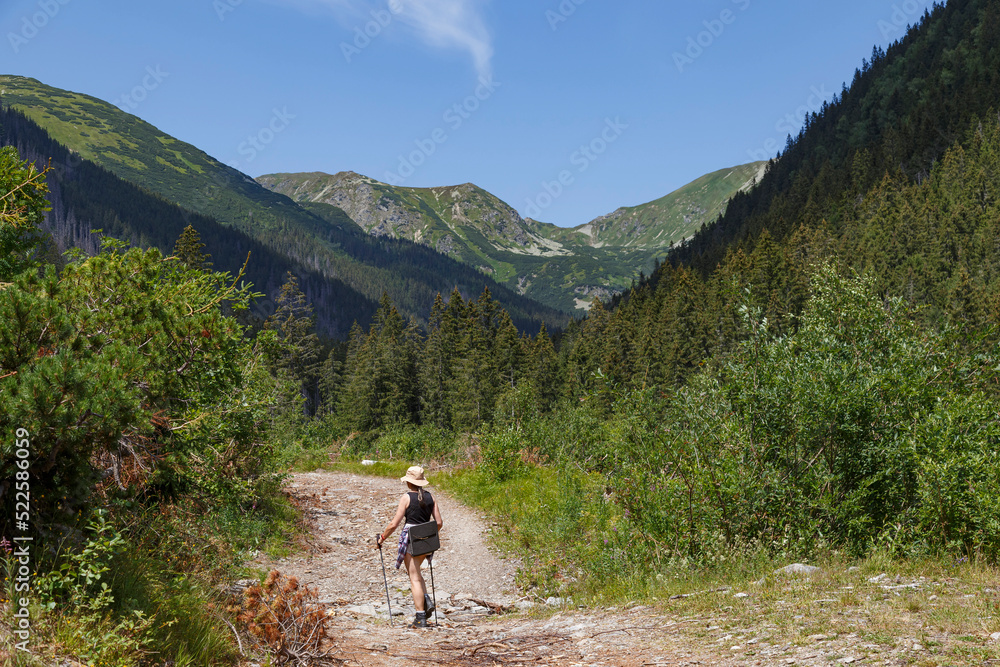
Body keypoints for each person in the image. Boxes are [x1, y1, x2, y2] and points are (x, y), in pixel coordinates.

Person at [375, 465, 443, 628]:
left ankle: (421, 617)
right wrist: (427, 533)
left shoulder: (406, 498)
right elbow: (439, 523)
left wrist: (382, 538)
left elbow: (394, 524)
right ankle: (426, 600)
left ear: (408, 482)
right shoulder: (431, 497)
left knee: (413, 577)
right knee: (417, 573)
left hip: (410, 539)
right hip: (426, 541)